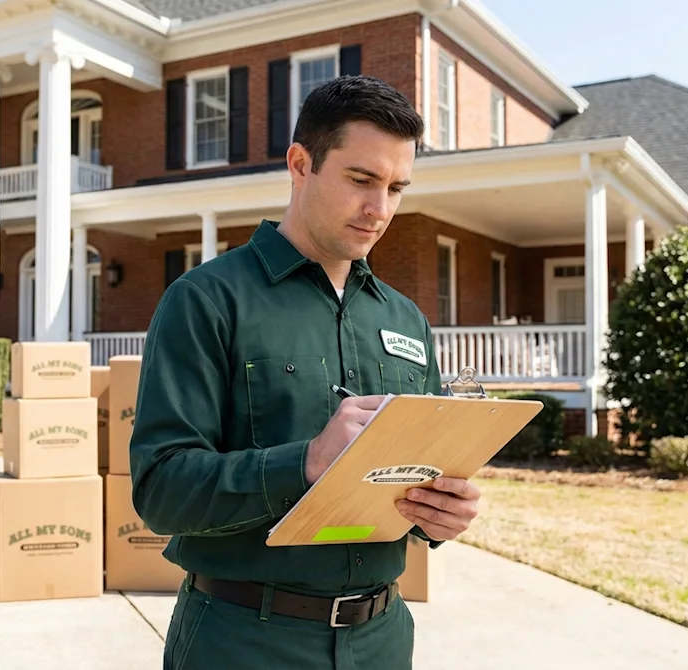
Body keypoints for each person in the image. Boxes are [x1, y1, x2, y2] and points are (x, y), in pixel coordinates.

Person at [128, 74, 483, 670]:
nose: (380, 209)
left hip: (383, 640)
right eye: (361, 179)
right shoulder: (208, 300)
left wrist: (442, 514)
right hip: (243, 642)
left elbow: (420, 475)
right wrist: (309, 462)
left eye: (397, 187)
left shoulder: (406, 319)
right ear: (300, 163)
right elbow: (160, 491)